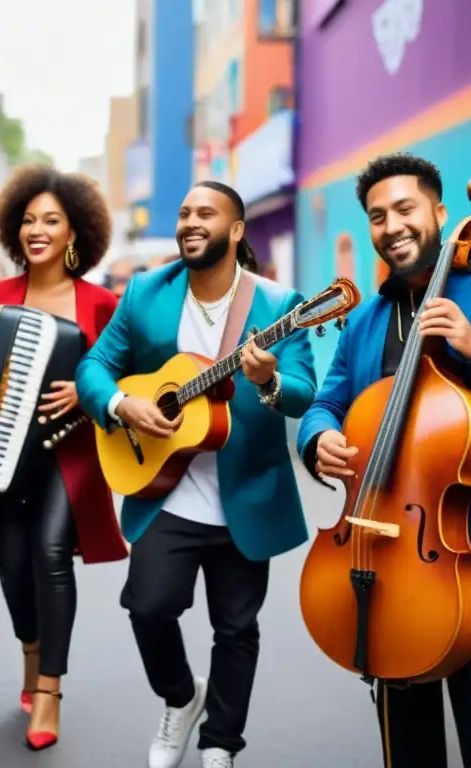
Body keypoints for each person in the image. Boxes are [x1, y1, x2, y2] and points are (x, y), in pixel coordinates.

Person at [296, 152, 471, 767]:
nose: (392, 225)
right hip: (390, 552)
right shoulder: (366, 320)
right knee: (405, 734)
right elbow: (326, 402)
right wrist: (317, 438)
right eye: (377, 216)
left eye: (404, 208)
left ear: (441, 213)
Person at [75, 181, 317, 768]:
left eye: (205, 213)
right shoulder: (145, 293)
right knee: (148, 607)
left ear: (236, 230)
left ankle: (219, 743)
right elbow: (94, 367)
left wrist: (268, 382)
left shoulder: (281, 306)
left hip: (247, 495)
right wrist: (119, 405)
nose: (190, 221)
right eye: (184, 212)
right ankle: (181, 699)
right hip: (167, 492)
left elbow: (304, 392)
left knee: (236, 628)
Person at [0, 165, 129, 750]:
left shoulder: (102, 301)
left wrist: (87, 391)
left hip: (68, 458)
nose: (36, 230)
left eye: (51, 220)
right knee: (11, 564)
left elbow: (121, 371)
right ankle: (31, 651)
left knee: (50, 556)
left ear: (76, 233)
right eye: (28, 220)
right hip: (0, 454)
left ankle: (49, 690)